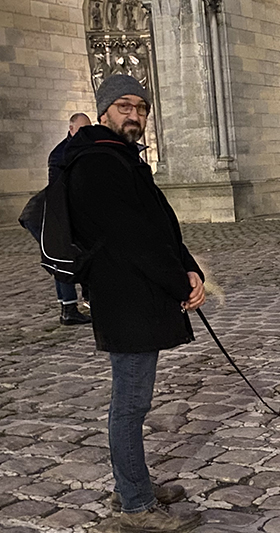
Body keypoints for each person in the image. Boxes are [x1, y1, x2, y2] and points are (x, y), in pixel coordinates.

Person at [65, 74, 205, 533]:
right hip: (126, 299)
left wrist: (191, 270)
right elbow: (131, 238)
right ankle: (135, 506)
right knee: (130, 404)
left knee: (132, 401)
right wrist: (179, 283)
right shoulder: (97, 162)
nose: (135, 115)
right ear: (104, 110)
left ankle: (134, 483)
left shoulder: (121, 158)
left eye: (142, 108)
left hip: (138, 296)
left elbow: (160, 226)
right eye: (125, 106)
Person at [48, 113, 93, 326]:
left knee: (82, 256)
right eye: (81, 128)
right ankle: (69, 307)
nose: (85, 132)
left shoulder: (86, 148)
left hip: (82, 212)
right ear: (71, 128)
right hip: (64, 214)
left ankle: (85, 301)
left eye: (88, 128)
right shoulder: (60, 154)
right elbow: (59, 189)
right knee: (63, 260)